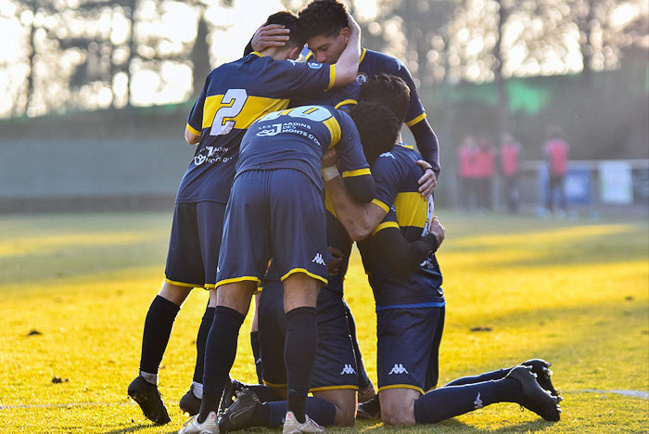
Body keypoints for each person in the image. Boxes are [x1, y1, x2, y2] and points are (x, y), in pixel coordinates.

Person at [127, 9, 362, 426]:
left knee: (173, 288)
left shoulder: (221, 71)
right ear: (291, 48)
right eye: (303, 51)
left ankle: (146, 376)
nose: (307, 58)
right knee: (227, 294)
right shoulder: (286, 73)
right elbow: (344, 72)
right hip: (230, 188)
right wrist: (354, 30)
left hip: (192, 184)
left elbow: (191, 134)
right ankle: (203, 395)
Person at [179, 100, 401, 434]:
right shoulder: (339, 120)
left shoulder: (265, 120)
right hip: (296, 182)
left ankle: (205, 418)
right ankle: (295, 418)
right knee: (300, 301)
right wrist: (334, 165)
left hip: (244, 186)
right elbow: (365, 188)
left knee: (227, 306)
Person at [322, 139, 563, 427]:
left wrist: (433, 239)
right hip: (420, 296)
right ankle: (514, 374)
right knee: (420, 399)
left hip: (406, 302)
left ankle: (512, 387)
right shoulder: (411, 158)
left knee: (400, 413)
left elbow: (393, 252)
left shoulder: (381, 168)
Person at [543, 126, 569, 216]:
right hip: (562, 171)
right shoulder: (564, 145)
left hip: (552, 171)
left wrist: (551, 168)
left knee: (550, 191)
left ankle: (549, 210)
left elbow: (548, 158)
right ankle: (563, 210)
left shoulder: (548, 145)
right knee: (562, 191)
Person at [499, 133, 522, 213]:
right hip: (506, 173)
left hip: (514, 173)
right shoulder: (503, 149)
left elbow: (519, 160)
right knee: (507, 191)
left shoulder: (516, 148)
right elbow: (502, 161)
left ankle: (515, 207)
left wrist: (517, 170)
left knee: (514, 191)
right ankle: (508, 207)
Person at [458, 135, 479, 212]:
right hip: (465, 174)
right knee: (465, 192)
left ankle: (475, 207)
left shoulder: (476, 150)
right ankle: (465, 207)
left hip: (474, 174)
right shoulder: (463, 150)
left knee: (474, 192)